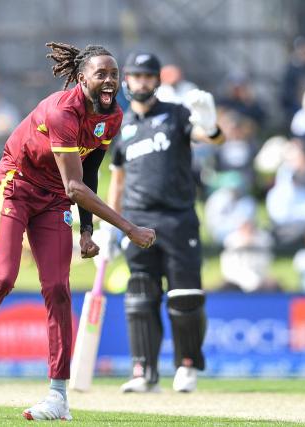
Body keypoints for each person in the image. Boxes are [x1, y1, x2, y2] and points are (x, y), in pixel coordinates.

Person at [0, 42, 155, 421]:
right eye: (101, 74)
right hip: (15, 185)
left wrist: (86, 230)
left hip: (54, 199)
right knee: (3, 275)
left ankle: (58, 396)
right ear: (81, 77)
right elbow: (75, 187)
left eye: (114, 75)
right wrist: (128, 227)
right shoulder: (61, 112)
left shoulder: (113, 115)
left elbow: (91, 169)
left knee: (57, 286)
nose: (110, 81)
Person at [105, 52, 225, 394]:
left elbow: (213, 139)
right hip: (136, 223)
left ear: (157, 81)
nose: (142, 82)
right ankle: (144, 371)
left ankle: (187, 365)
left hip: (177, 219)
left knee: (184, 297)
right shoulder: (122, 126)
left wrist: (211, 122)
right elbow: (118, 181)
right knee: (141, 296)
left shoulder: (175, 115)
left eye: (148, 76)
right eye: (136, 76)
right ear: (126, 81)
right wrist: (110, 228)